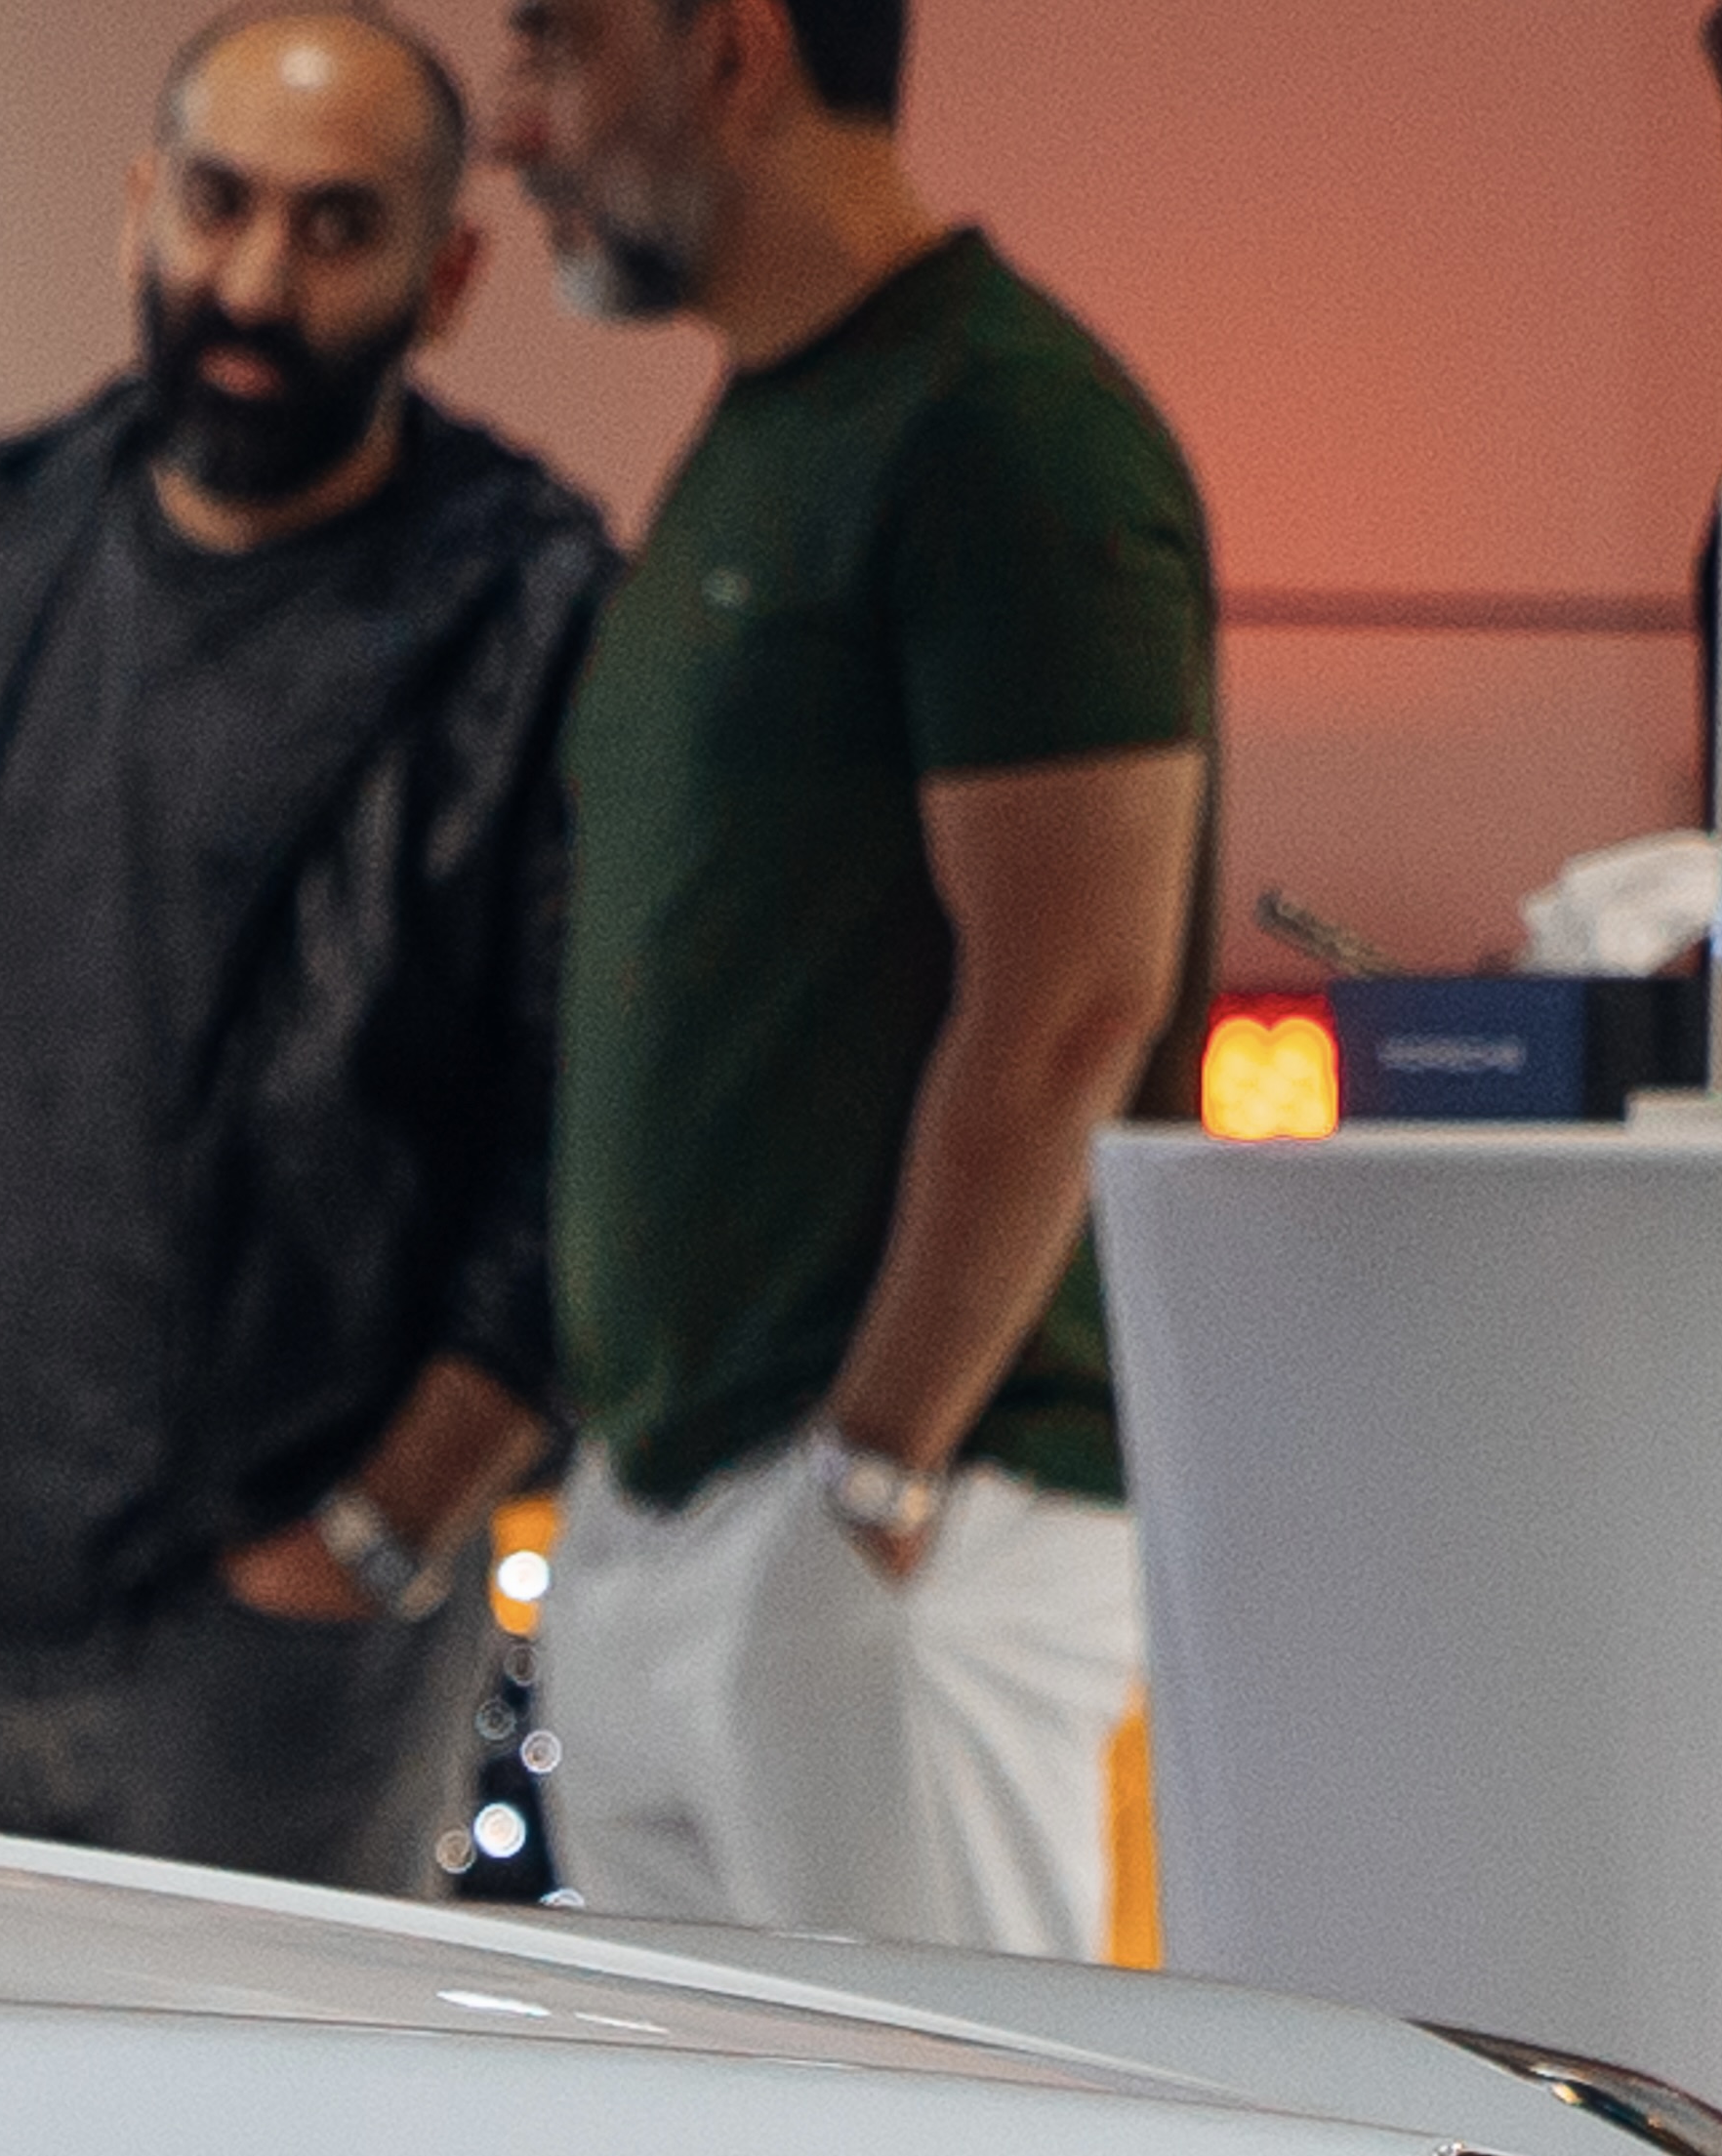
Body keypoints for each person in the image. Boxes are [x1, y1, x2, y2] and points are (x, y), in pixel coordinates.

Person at [0, 14, 615, 1892]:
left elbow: (589, 1145)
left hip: (281, 1636)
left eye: (337, 230)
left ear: (451, 277)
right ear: (137, 211)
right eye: (218, 205)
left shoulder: (535, 612)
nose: (255, 281)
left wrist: (377, 1525)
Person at [493, 0, 1212, 1956]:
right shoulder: (763, 437)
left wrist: (874, 1474)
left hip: (911, 1514)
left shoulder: (999, 428)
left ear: (729, 51)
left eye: (553, 51)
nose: (510, 125)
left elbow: (1076, 994)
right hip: (685, 1497)